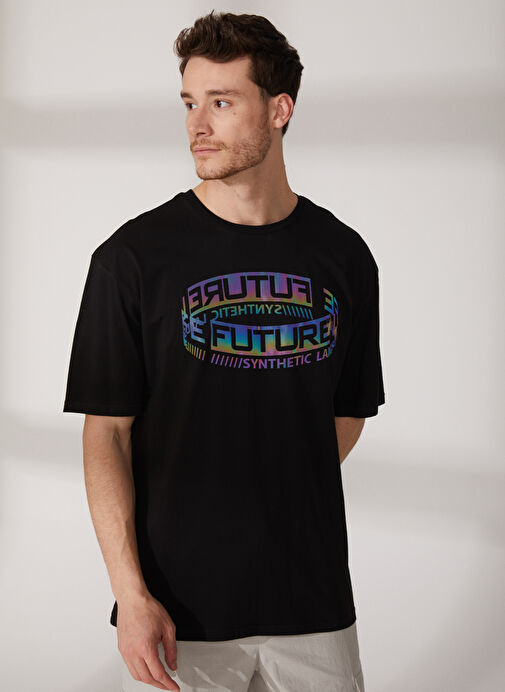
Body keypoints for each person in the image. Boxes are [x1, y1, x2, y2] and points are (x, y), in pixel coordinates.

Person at [63, 10, 385, 692]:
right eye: (189, 103)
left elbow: (349, 410)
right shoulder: (132, 259)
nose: (197, 125)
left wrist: (268, 487)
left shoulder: (344, 256)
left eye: (221, 102)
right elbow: (106, 433)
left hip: (313, 604)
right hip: (177, 615)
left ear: (279, 109)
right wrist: (130, 596)